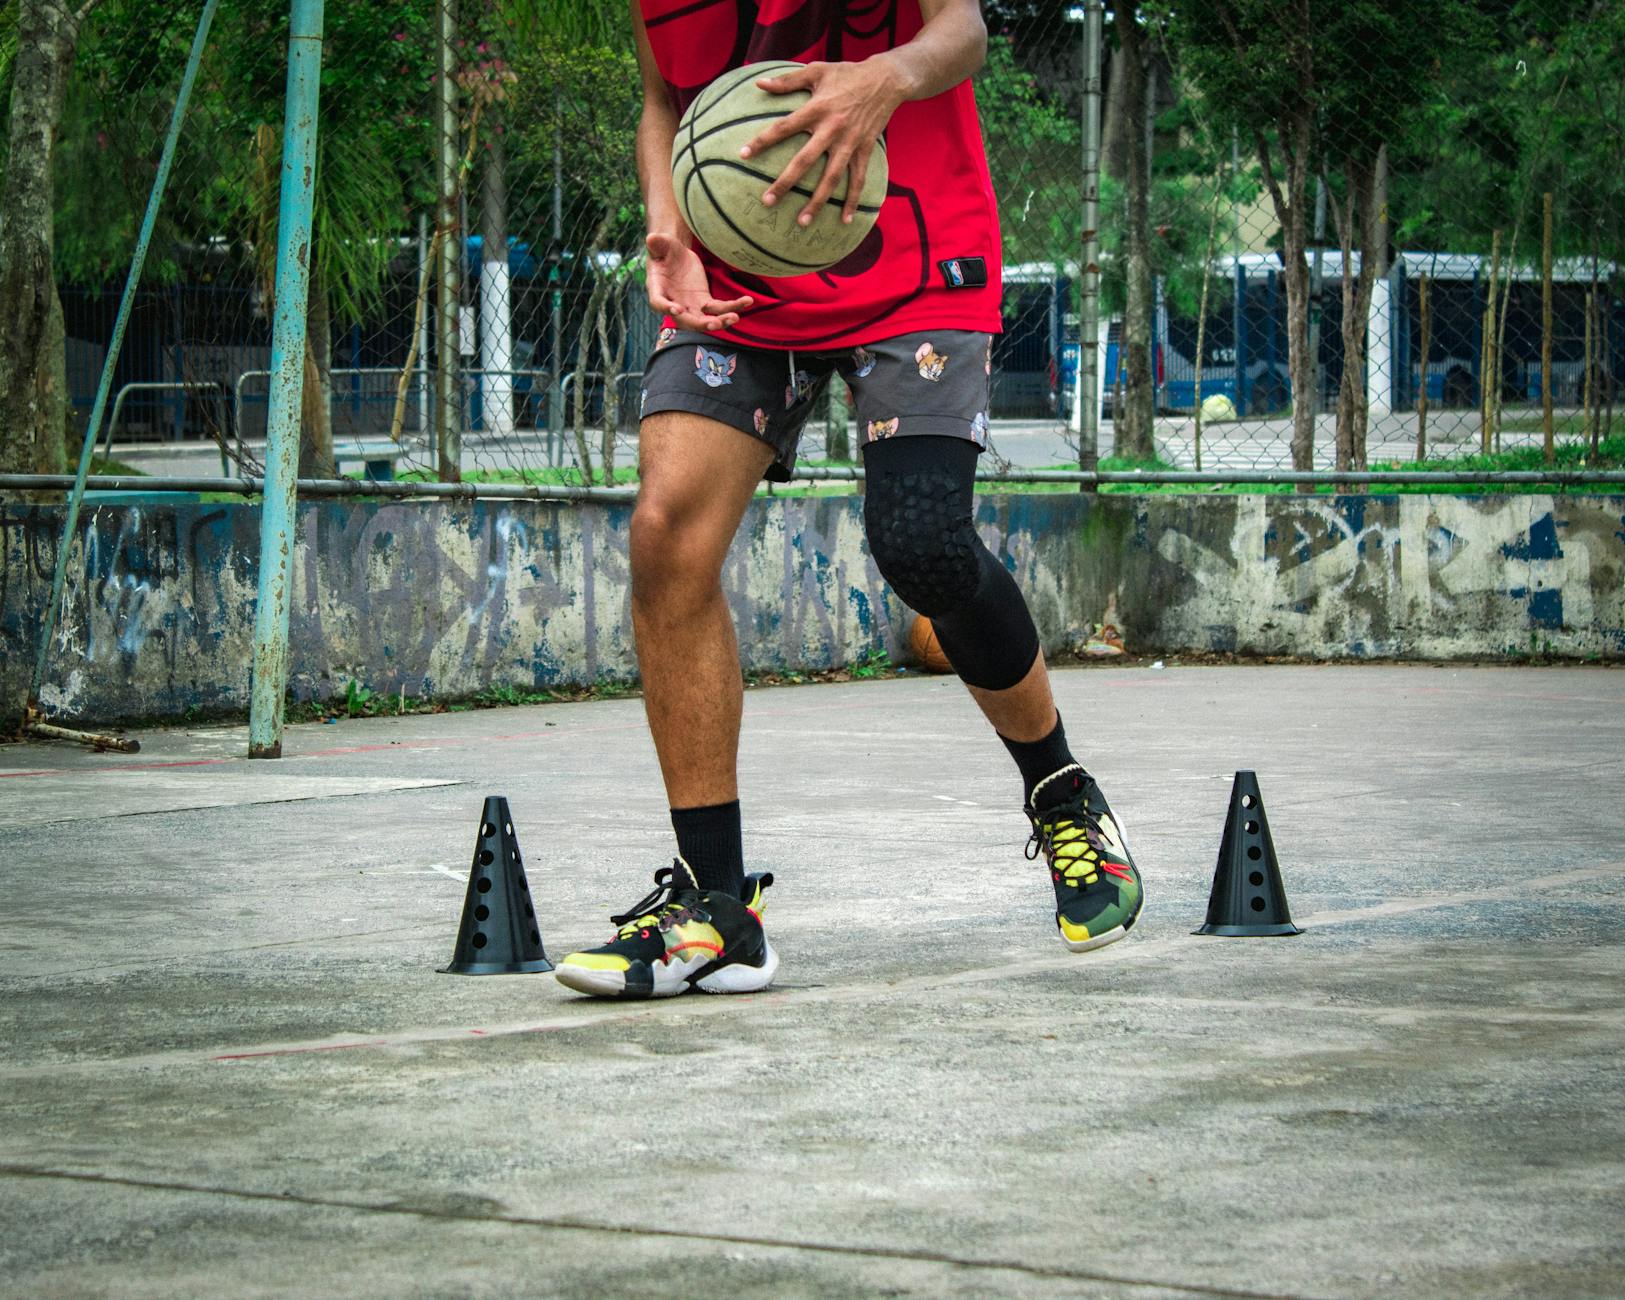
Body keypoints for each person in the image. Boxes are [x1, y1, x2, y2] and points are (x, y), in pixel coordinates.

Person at [554, 0, 1143, 1000]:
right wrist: (669, 222)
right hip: (743, 266)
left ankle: (1060, 791)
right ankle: (714, 908)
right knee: (665, 533)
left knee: (920, 546)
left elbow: (961, 31)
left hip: (915, 254)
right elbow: (663, 95)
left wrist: (887, 78)